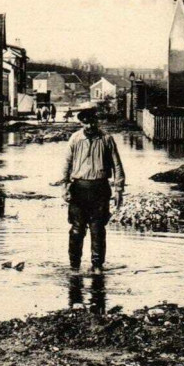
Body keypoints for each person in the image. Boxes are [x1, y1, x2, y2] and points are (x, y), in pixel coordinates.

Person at [61, 102, 125, 271]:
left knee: (97, 229)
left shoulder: (106, 139)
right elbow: (66, 164)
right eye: (86, 123)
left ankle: (97, 266)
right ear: (81, 123)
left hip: (100, 189)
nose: (90, 126)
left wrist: (119, 190)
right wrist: (65, 186)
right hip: (79, 189)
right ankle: (74, 266)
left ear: (97, 122)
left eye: (92, 122)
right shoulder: (75, 139)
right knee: (77, 229)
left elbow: (117, 165)